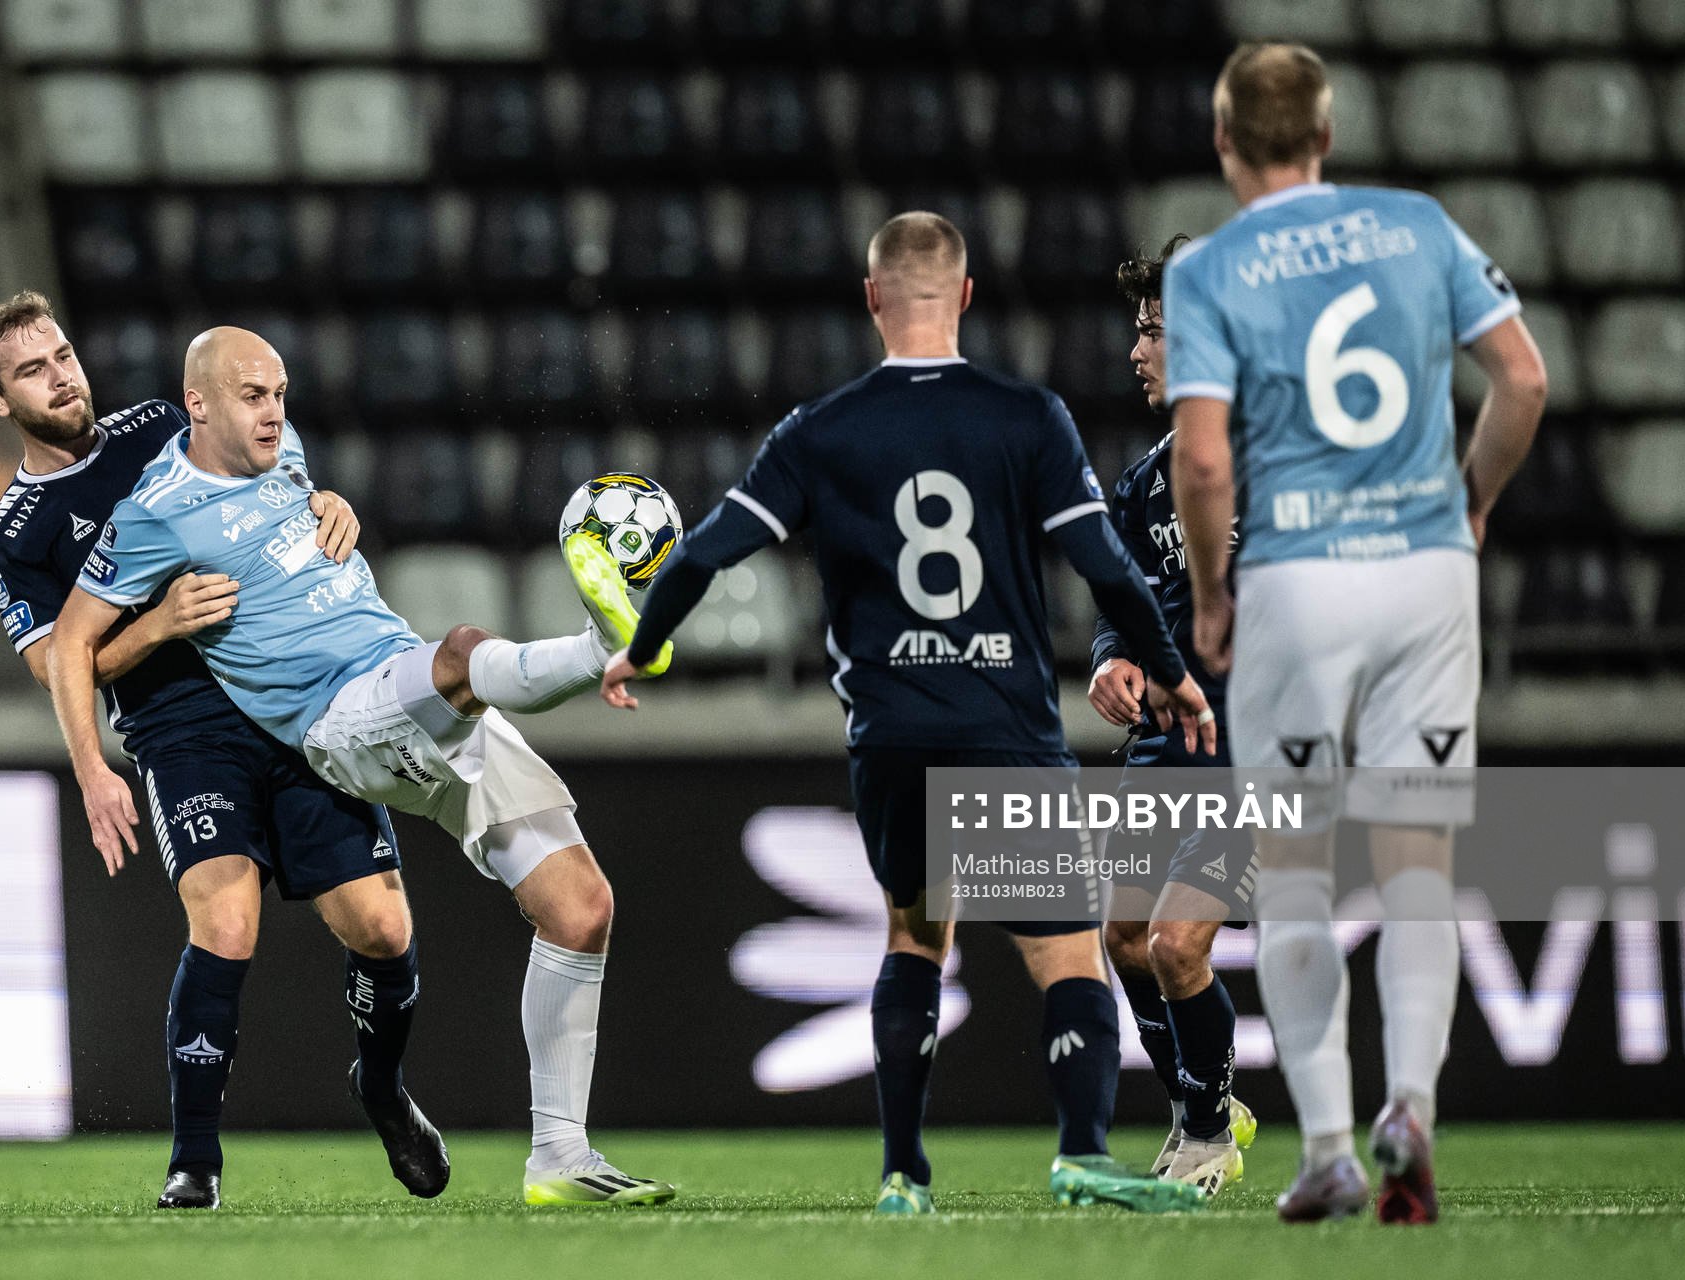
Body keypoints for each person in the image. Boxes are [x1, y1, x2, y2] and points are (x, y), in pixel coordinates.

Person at [595, 212, 1213, 1216]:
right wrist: (1171, 669)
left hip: (890, 733)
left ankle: (903, 1172)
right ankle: (1082, 1149)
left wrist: (643, 643)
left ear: (873, 299)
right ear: (965, 296)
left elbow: (704, 550)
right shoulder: (1028, 417)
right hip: (1003, 723)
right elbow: (1108, 567)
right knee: (1065, 948)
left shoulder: (819, 430)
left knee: (916, 938)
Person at [45, 325, 674, 1207]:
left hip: (400, 680)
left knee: (580, 908)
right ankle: (605, 641)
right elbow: (71, 645)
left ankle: (559, 1158)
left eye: (281, 393)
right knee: (463, 652)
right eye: (253, 396)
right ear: (199, 403)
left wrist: (328, 497)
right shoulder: (155, 511)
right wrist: (92, 764)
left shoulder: (287, 456)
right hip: (339, 722)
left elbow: (290, 523)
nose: (274, 413)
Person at [1163, 43, 1547, 1224]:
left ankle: (1327, 1136)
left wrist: (1215, 594)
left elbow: (1205, 456)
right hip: (1426, 572)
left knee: (1291, 873)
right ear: (1327, 135)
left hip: (1297, 581)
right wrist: (1472, 499)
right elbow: (1523, 381)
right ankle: (1412, 1109)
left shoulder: (1212, 267)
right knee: (1418, 863)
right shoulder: (1421, 226)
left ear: (1226, 144)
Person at [0, 292, 444, 1211]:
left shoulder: (158, 426)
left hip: (297, 700)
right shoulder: (15, 533)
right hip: (181, 733)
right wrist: (152, 640)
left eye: (63, 355)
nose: (61, 377)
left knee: (382, 929)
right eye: (32, 370)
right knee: (225, 924)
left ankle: (379, 1086)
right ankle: (195, 1162)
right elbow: (63, 666)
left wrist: (326, 502)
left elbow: (275, 483)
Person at [1089, 235, 1259, 1197]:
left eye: (1153, 332)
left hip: (1254, 747)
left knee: (1177, 943)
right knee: (1122, 936)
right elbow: (1124, 612)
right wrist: (1114, 665)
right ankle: (1207, 1101)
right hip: (1166, 745)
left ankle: (1206, 1131)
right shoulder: (1145, 479)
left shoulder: (1275, 456)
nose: (1135, 352)